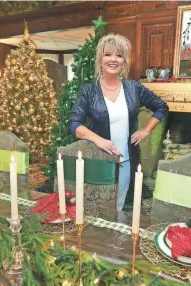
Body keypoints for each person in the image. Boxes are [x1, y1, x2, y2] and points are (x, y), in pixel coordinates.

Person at [68, 33, 168, 213]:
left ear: (124, 62)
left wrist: (146, 130)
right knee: (95, 206)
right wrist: (98, 140)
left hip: (126, 161)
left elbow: (161, 107)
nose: (113, 59)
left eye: (119, 55)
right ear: (100, 60)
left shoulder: (134, 88)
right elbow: (74, 124)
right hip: (98, 160)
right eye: (108, 54)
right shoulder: (89, 91)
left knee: (118, 206)